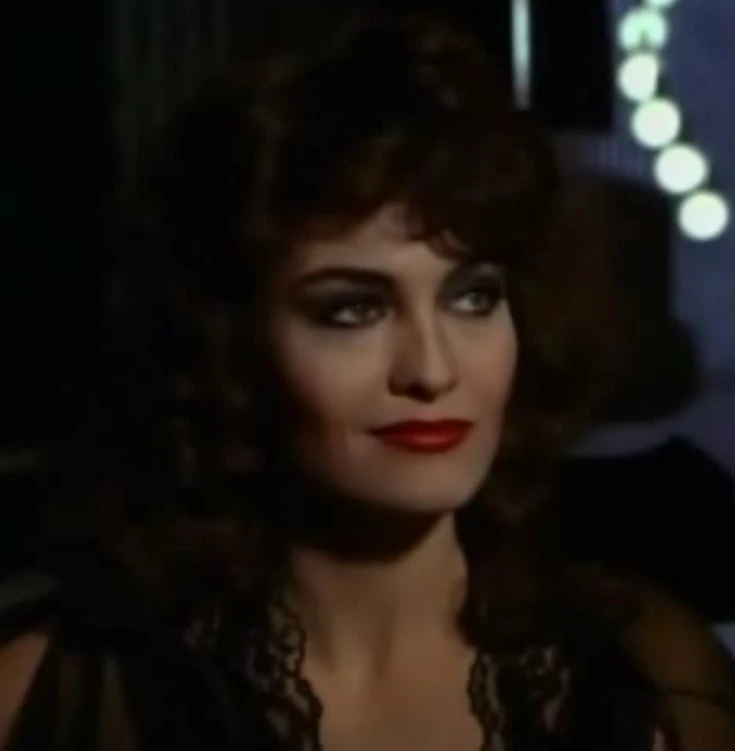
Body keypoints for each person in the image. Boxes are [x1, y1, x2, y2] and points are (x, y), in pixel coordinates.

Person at [1, 8, 734, 750]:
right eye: (352, 310)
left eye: (472, 297)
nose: (431, 369)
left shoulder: (645, 680)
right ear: (229, 344)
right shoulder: (55, 690)